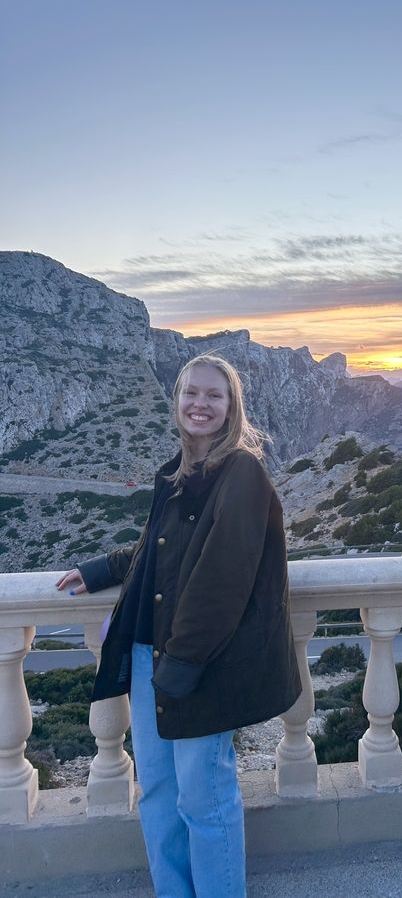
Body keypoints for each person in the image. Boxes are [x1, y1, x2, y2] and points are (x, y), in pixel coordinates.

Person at [56, 354, 302, 898]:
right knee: (159, 793)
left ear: (232, 406)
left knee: (204, 797)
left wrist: (183, 664)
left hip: (198, 662)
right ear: (178, 399)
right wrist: (100, 569)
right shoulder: (178, 473)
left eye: (214, 395)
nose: (200, 404)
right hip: (151, 651)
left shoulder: (242, 473)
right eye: (192, 392)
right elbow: (157, 550)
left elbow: (223, 579)